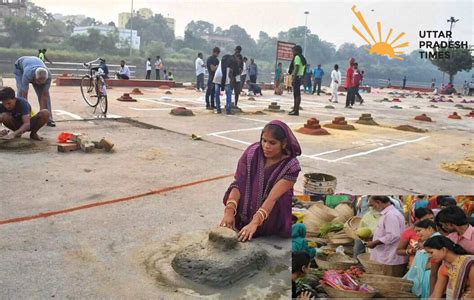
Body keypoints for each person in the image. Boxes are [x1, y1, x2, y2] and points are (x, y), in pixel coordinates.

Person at [219, 120, 302, 241]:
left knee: (281, 199)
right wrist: (229, 211)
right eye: (264, 140)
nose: (266, 146)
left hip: (273, 209)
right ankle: (244, 221)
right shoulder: (252, 153)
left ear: (283, 143)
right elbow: (238, 184)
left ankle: (265, 227)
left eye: (272, 143)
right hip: (247, 207)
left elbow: (272, 198)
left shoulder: (291, 166)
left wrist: (255, 223)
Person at [365, 195, 407, 277]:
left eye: (372, 205)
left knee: (391, 282)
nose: (372, 208)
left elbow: (392, 235)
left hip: (391, 257)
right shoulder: (387, 213)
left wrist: (375, 243)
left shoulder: (391, 215)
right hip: (387, 256)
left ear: (378, 202)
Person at [403, 219, 440, 299]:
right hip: (427, 277)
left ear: (430, 229)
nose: (417, 234)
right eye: (416, 232)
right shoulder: (427, 242)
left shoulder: (437, 239)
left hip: (430, 277)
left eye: (419, 230)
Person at [14, 56, 55, 127]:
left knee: (45, 94)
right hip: (20, 68)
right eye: (38, 81)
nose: (39, 84)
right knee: (21, 91)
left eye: (42, 82)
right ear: (35, 77)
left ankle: (48, 119)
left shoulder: (49, 77)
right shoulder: (27, 74)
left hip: (34, 64)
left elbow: (44, 95)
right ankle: (19, 117)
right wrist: (26, 113)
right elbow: (24, 95)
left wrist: (42, 114)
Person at [288, 45, 306, 116]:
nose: (292, 52)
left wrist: (293, 78)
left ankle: (296, 110)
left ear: (297, 51)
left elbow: (297, 67)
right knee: (297, 94)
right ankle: (295, 109)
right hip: (300, 76)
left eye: (293, 51)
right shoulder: (302, 58)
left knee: (296, 94)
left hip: (297, 77)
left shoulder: (297, 57)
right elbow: (304, 68)